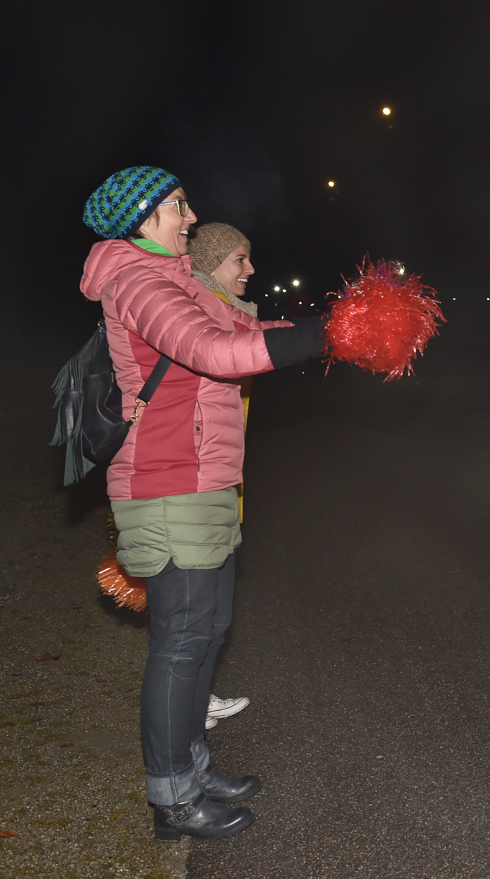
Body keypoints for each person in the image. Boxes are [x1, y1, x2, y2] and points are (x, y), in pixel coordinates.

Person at [81, 166, 325, 839]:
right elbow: (215, 351)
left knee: (206, 633)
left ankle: (192, 766)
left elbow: (246, 326)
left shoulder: (179, 278)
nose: (190, 218)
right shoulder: (138, 281)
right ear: (140, 218)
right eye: (176, 207)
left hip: (205, 479)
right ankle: (173, 800)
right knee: (182, 641)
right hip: (166, 483)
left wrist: (334, 328)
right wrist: (320, 338)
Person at [188, 222, 269, 732]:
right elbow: (236, 349)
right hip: (189, 479)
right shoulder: (196, 311)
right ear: (213, 261)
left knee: (210, 621)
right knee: (193, 625)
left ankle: (195, 707)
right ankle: (184, 732)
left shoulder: (221, 311)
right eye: (240, 259)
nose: (250, 269)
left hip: (216, 472)